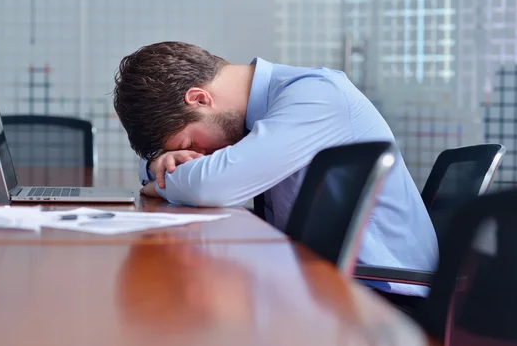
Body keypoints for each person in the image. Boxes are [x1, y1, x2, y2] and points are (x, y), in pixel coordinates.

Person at [113, 41, 438, 307]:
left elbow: (211, 185)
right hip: (321, 282)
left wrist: (160, 183)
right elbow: (161, 169)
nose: (197, 157)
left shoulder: (316, 96)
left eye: (191, 144)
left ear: (200, 98)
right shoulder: (258, 115)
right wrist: (159, 165)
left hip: (382, 296)